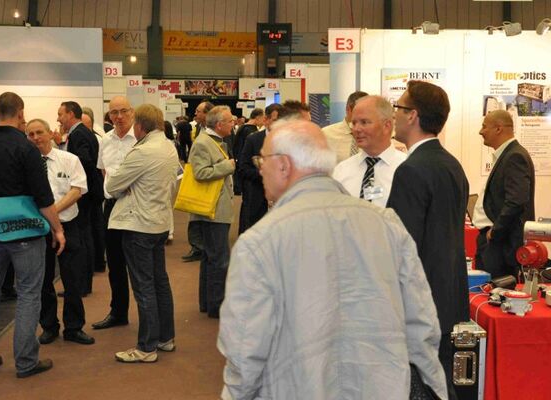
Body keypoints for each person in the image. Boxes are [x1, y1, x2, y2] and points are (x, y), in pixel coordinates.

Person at [218, 119, 446, 400]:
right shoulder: (386, 224)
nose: (260, 168)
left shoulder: (259, 242)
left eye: (262, 159)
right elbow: (421, 322)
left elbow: (245, 347)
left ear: (284, 165)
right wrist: (434, 386)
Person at [0, 92, 65, 378]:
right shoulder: (26, 148)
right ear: (21, 113)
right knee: (29, 293)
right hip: (26, 231)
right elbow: (43, 197)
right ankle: (26, 361)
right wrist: (57, 228)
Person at [387, 80, 470, 398]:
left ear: (412, 115)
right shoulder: (452, 165)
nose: (394, 115)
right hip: (449, 300)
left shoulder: (411, 171)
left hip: (419, 306)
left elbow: (401, 247)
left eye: (398, 107)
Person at [106, 104, 177, 363]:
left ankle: (146, 347)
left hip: (139, 226)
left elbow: (112, 185)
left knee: (144, 287)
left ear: (140, 126)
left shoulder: (142, 151)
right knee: (160, 283)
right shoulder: (169, 146)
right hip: (159, 223)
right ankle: (165, 338)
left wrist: (128, 185)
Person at [25, 119, 95, 346]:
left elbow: (77, 190)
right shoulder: (24, 164)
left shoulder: (69, 159)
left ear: (50, 133)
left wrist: (52, 212)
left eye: (39, 132)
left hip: (68, 225)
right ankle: (49, 326)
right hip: (39, 229)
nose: (36, 138)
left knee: (72, 279)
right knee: (43, 280)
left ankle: (74, 327)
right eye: (31, 134)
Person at [92, 96, 137, 330]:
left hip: (136, 206)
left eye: (123, 111)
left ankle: (149, 316)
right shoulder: (105, 140)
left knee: (138, 264)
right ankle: (118, 312)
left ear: (132, 112)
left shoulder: (141, 139)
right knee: (115, 263)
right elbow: (103, 171)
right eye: (114, 113)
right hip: (111, 207)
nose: (119, 117)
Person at [473, 109, 535, 279]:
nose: (481, 132)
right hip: (495, 242)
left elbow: (516, 201)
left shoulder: (514, 156)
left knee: (494, 289)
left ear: (498, 129)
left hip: (500, 245)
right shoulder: (507, 155)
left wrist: (495, 231)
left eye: (484, 126)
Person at [188, 105, 236, 319]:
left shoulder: (213, 141)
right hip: (212, 209)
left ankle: (209, 303)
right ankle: (216, 305)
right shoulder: (203, 143)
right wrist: (228, 166)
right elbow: (200, 173)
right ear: (219, 124)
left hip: (215, 208)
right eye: (230, 121)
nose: (233, 124)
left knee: (211, 257)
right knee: (219, 259)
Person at [58, 101, 103, 295]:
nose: (58, 119)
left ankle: (81, 285)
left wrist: (72, 177)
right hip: (88, 192)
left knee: (83, 238)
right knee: (86, 236)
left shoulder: (79, 134)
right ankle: (82, 283)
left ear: (70, 114)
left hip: (84, 194)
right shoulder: (81, 132)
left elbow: (84, 161)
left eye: (60, 114)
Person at [332, 95, 406, 208]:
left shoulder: (406, 169)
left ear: (386, 126)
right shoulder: (341, 171)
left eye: (364, 122)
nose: (356, 129)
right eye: (354, 123)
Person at [236, 104, 282, 234]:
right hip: (257, 197)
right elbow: (243, 168)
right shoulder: (253, 139)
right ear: (266, 120)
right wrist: (265, 174)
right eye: (276, 120)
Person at [182, 101, 215, 263]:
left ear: (208, 114)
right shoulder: (199, 128)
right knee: (194, 213)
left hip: (208, 177)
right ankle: (197, 247)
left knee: (203, 214)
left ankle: (201, 247)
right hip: (195, 176)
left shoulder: (215, 132)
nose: (195, 114)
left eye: (198, 111)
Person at [81, 106, 107, 273]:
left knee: (95, 225)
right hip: (92, 188)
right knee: (94, 225)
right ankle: (96, 260)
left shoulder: (97, 139)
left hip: (94, 189)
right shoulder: (96, 138)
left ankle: (97, 261)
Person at [322, 91, 368, 163]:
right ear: (348, 109)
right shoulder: (326, 134)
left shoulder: (373, 136)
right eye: (360, 112)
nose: (365, 116)